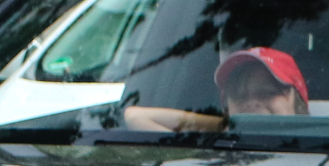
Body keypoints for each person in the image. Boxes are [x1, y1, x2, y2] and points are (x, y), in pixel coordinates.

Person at [123, 47, 311, 133]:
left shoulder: (319, 148)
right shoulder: (217, 149)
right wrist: (227, 127)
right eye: (239, 95)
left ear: (298, 101)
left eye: (268, 92)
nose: (252, 101)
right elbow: (135, 117)